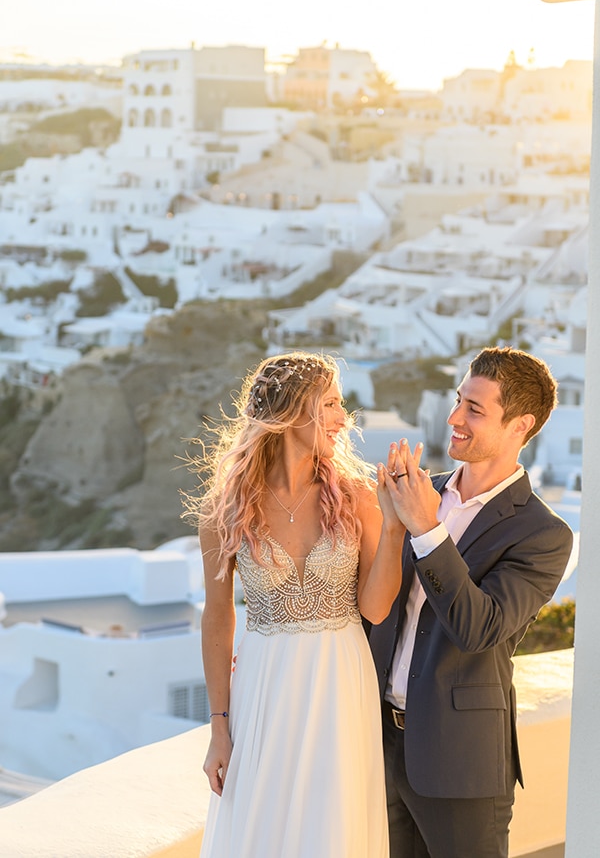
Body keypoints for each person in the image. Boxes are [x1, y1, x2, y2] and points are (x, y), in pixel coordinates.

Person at [184, 351, 404, 858]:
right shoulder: (226, 509)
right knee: (262, 824)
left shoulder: (356, 496)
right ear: (290, 411)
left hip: (340, 680)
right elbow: (218, 618)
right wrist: (219, 729)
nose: (342, 417)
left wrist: (393, 528)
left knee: (332, 827)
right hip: (265, 684)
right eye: (329, 403)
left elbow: (374, 608)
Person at [369, 346, 574, 858]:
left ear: (520, 426)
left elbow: (479, 628)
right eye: (459, 401)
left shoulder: (544, 534)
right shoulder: (420, 495)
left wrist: (425, 528)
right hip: (378, 744)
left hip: (459, 759)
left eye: (475, 410)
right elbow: (374, 609)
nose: (454, 418)